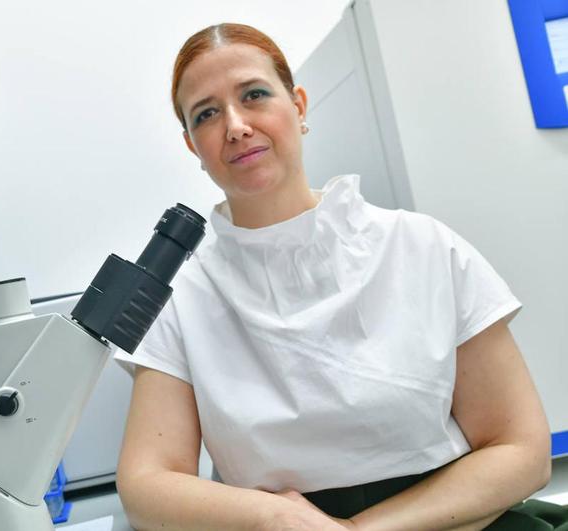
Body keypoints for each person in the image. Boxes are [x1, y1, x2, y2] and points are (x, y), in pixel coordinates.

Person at [113, 23, 553, 531]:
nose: (235, 125)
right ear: (193, 146)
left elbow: (521, 449)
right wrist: (275, 516)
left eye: (253, 95)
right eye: (207, 114)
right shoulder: (183, 298)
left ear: (298, 107)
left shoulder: (422, 247)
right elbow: (146, 487)